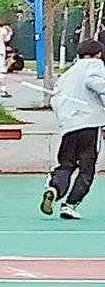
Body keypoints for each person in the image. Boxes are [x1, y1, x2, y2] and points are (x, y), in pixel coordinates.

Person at [40, 40, 105, 220]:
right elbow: (97, 83)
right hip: (90, 124)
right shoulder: (96, 65)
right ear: (99, 53)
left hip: (69, 125)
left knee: (66, 163)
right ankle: (70, 204)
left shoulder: (68, 73)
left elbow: (56, 99)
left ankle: (55, 187)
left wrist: (65, 118)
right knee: (87, 168)